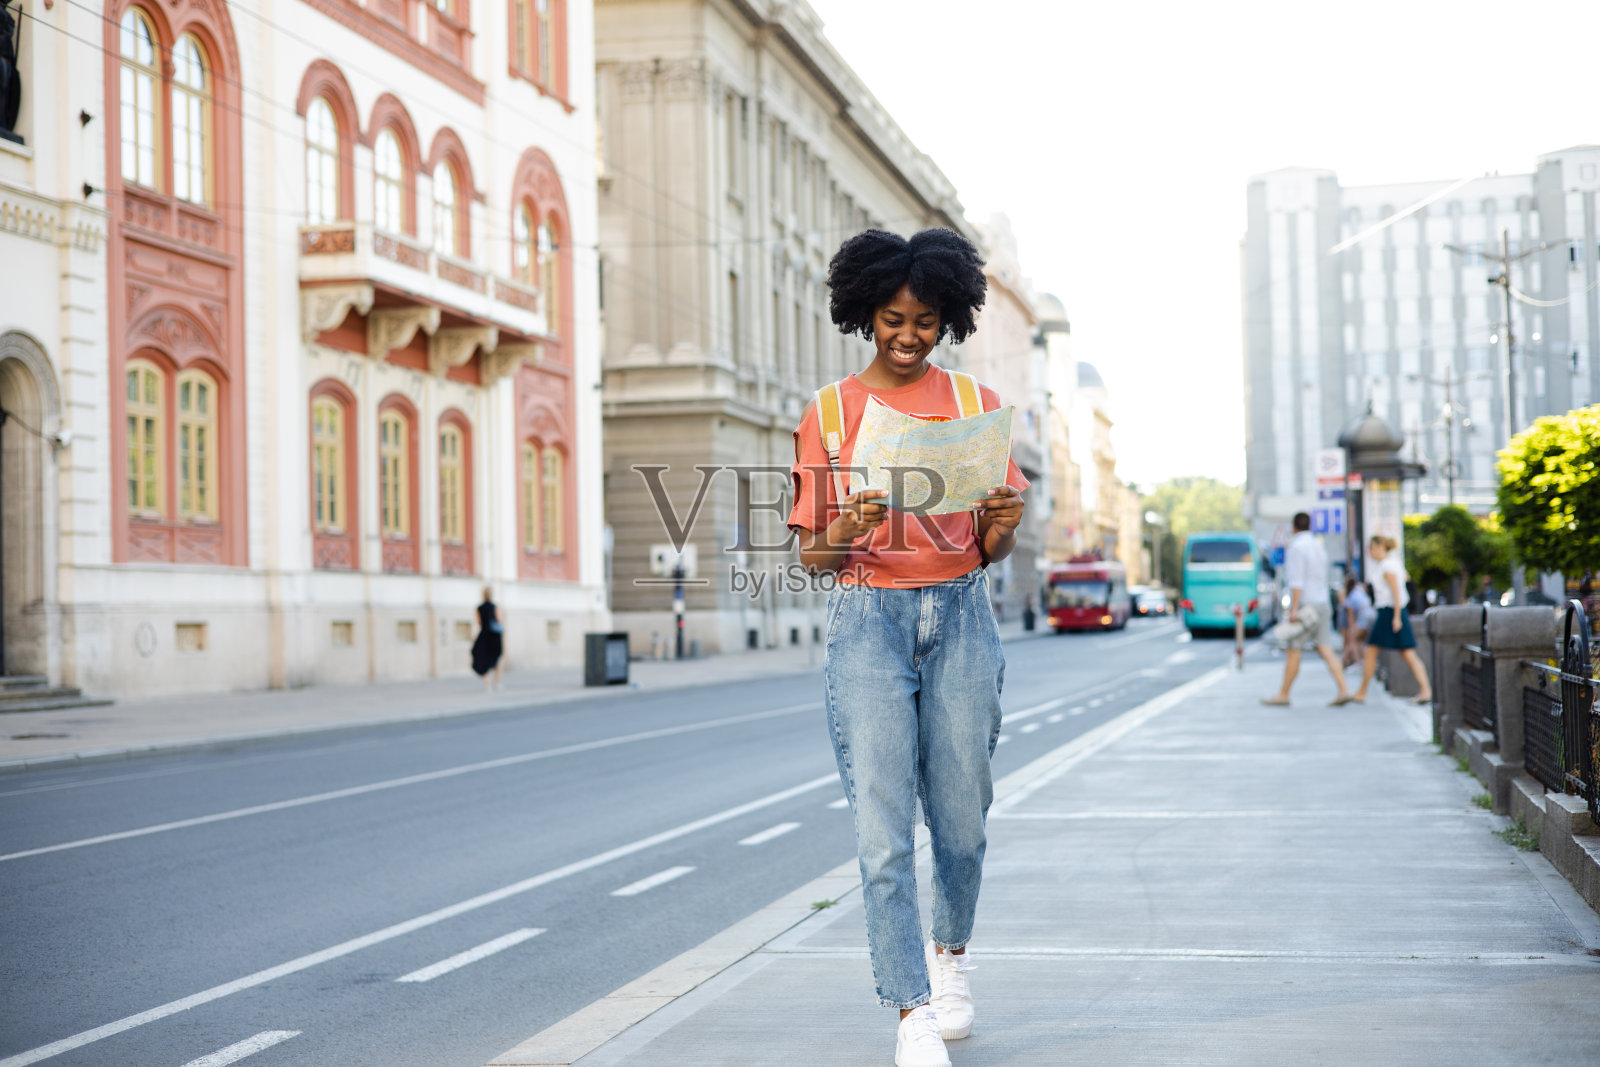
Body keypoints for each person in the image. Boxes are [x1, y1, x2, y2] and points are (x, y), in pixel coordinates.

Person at [788, 228, 1027, 1067]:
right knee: (882, 832)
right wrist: (846, 525)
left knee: (961, 819)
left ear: (946, 318)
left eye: (925, 320)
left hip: (960, 614)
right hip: (868, 622)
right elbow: (812, 558)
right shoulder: (828, 414)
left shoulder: (972, 404)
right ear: (866, 314)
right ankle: (910, 1008)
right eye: (893, 318)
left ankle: (949, 953)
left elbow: (989, 547)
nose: (908, 335)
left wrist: (1003, 523)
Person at [1263, 512, 1352, 706]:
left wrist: (1293, 610)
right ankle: (1344, 689)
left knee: (1294, 649)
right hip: (1322, 603)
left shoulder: (1297, 547)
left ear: (1293, 527)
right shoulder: (1318, 545)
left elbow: (1297, 582)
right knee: (1325, 647)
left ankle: (1283, 694)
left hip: (1306, 607)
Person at [1351, 535, 1432, 704]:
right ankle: (1425, 690)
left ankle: (1362, 691)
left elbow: (1396, 591)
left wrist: (1396, 617)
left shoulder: (1387, 566)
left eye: (1371, 548)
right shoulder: (1392, 564)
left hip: (1390, 612)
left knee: (1377, 650)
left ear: (1379, 547)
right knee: (1403, 652)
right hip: (1391, 611)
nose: (1370, 552)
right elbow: (1405, 581)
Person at [470, 586, 503, 689]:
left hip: (484, 635)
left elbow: (479, 622)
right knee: (495, 658)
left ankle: (487, 681)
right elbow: (499, 619)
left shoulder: (479, 608)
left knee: (483, 658)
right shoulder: (494, 606)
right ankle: (497, 682)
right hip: (494, 636)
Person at [1340, 575, 1375, 668]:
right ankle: (1362, 661)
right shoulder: (1359, 590)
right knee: (1360, 640)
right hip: (1371, 613)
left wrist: (1351, 627)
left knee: (1352, 639)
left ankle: (1356, 662)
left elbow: (1350, 614)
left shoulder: (1351, 596)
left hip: (1363, 615)